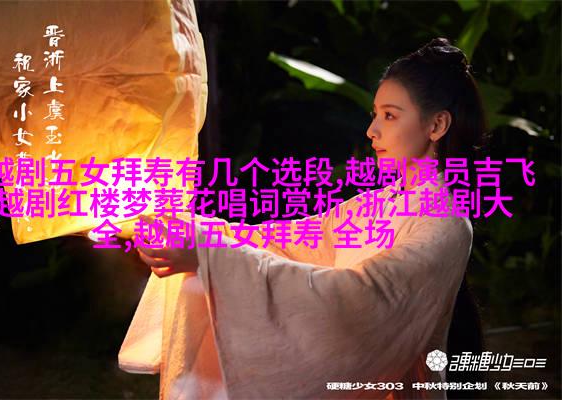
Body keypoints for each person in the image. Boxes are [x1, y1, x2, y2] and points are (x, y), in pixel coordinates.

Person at [119, 37, 488, 400]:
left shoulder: (446, 224)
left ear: (437, 125)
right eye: (374, 114)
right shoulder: (373, 205)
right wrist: (195, 231)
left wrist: (209, 256)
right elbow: (284, 242)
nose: (372, 131)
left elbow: (359, 297)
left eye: (390, 115)